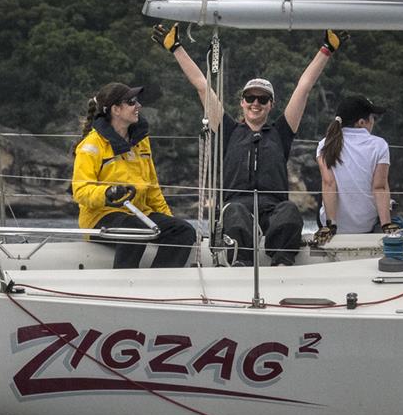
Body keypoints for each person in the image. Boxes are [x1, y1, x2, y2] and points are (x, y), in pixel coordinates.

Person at [153, 23, 347, 266]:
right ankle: (240, 262)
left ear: (271, 105)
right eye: (250, 98)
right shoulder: (228, 130)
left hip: (273, 209)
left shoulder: (281, 132)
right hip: (237, 207)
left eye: (263, 99)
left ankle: (282, 262)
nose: (256, 103)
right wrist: (176, 48)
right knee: (234, 213)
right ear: (242, 103)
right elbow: (203, 86)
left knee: (289, 211)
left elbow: (304, 88)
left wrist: (326, 49)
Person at [72, 82, 196, 269]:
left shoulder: (141, 142)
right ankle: (124, 285)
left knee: (183, 230)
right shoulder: (91, 146)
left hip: (140, 214)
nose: (138, 106)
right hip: (101, 217)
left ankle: (159, 285)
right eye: (131, 102)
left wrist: (168, 221)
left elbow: (152, 188)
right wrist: (108, 193)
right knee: (135, 230)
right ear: (116, 109)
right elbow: (80, 191)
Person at [312, 95, 396, 245]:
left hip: (336, 226)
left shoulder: (325, 144)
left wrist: (330, 226)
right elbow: (380, 187)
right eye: (372, 118)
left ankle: (329, 225)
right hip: (366, 225)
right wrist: (386, 225)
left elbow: (329, 183)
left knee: (326, 187)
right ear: (362, 122)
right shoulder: (379, 145)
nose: (373, 122)